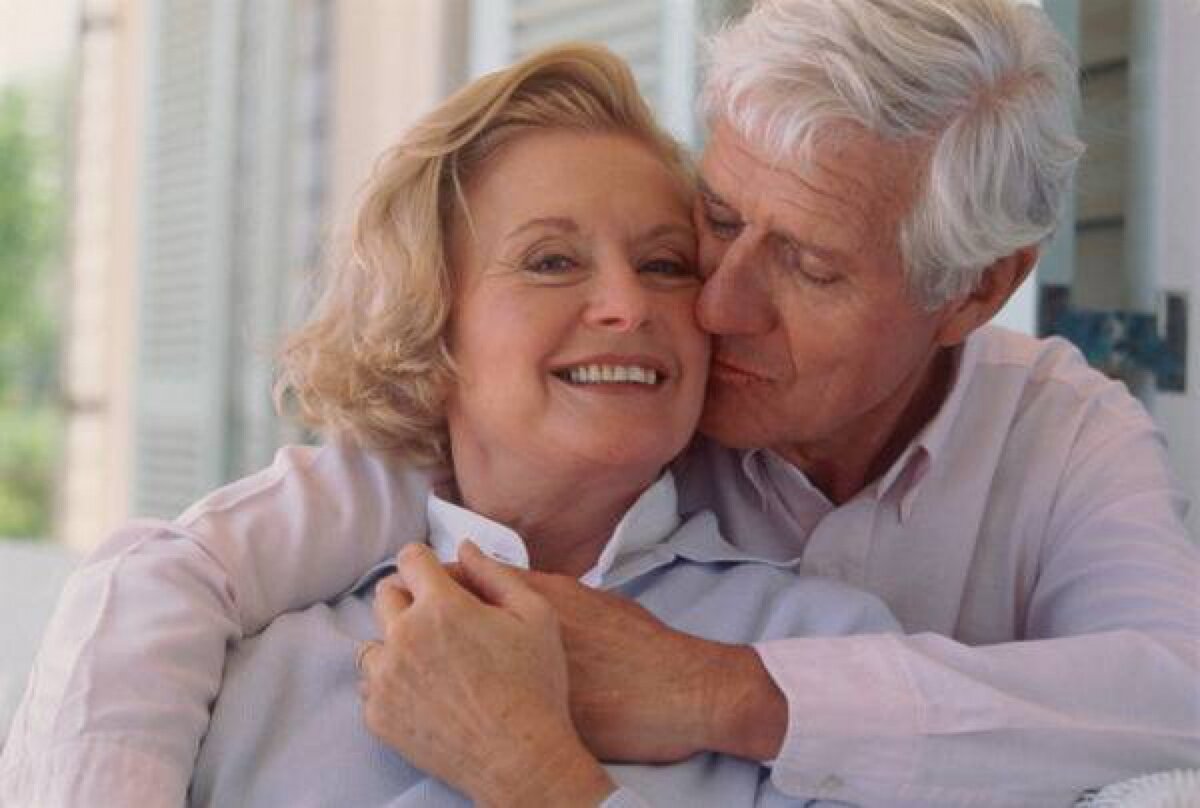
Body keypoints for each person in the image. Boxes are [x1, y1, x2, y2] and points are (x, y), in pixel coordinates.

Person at [3, 0, 1198, 805]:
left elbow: (1180, 704)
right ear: (433, 322)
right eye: (714, 225)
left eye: (806, 263)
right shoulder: (335, 569)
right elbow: (170, 574)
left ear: (974, 291)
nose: (708, 303)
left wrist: (699, 697)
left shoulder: (1034, 461)